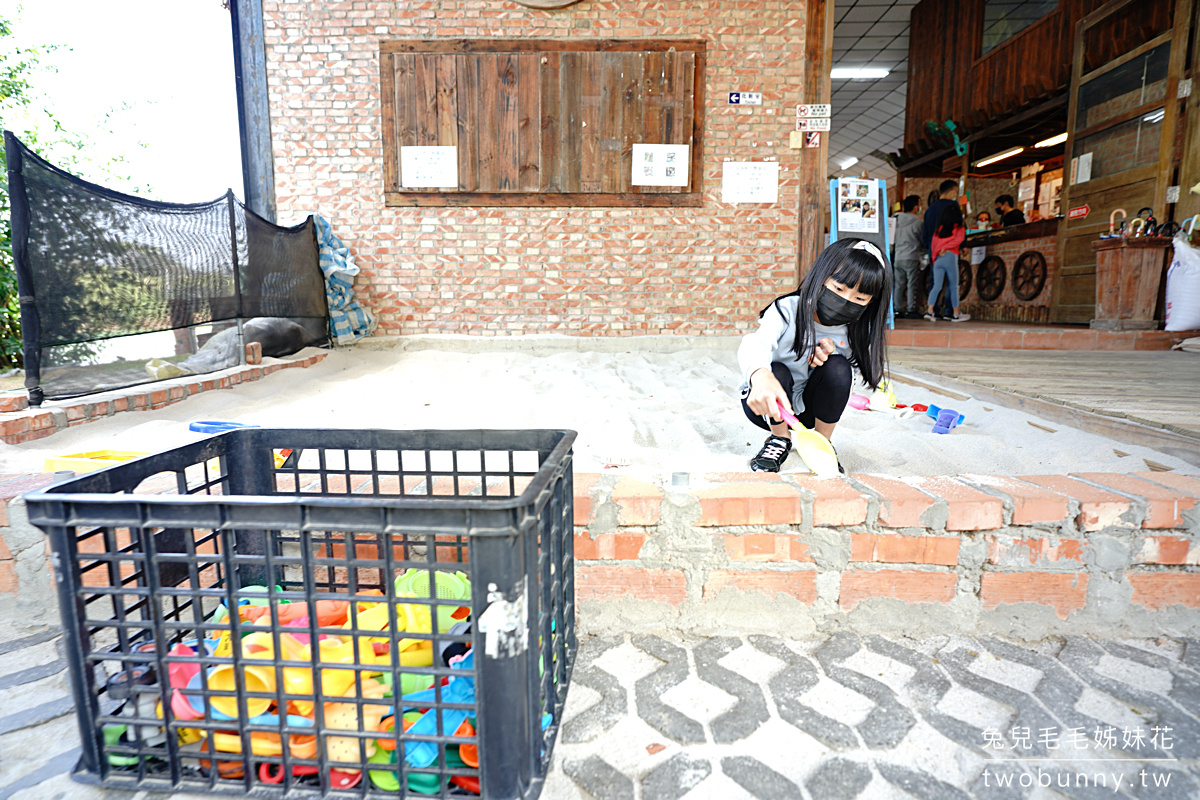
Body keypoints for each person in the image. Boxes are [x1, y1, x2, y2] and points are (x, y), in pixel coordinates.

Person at [738, 238, 892, 473]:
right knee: (777, 370)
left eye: (859, 298)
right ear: (822, 277)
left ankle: (822, 442)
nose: (846, 301)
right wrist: (760, 376)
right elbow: (754, 343)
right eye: (839, 288)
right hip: (768, 406)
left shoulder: (853, 330)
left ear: (871, 303)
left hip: (811, 412)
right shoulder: (787, 309)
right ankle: (779, 439)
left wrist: (833, 352)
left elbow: (840, 383)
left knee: (840, 367)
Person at [924, 202, 971, 323]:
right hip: (951, 257)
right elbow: (959, 240)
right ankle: (956, 314)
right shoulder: (959, 229)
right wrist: (946, 248)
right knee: (954, 286)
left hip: (938, 259)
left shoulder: (938, 230)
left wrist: (936, 256)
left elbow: (934, 245)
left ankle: (930, 311)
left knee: (937, 286)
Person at [923, 180, 959, 318]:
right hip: (950, 249)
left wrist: (929, 247)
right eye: (955, 191)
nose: (955, 194)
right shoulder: (953, 206)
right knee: (952, 281)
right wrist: (963, 245)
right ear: (951, 191)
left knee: (935, 281)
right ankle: (950, 312)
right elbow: (958, 228)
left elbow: (925, 232)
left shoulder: (930, 209)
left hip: (934, 249)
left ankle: (934, 310)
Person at [892, 195, 923, 319]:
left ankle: (897, 309)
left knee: (898, 284)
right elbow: (922, 239)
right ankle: (911, 309)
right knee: (912, 284)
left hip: (898, 257)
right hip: (912, 256)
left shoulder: (896, 220)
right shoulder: (917, 222)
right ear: (916, 207)